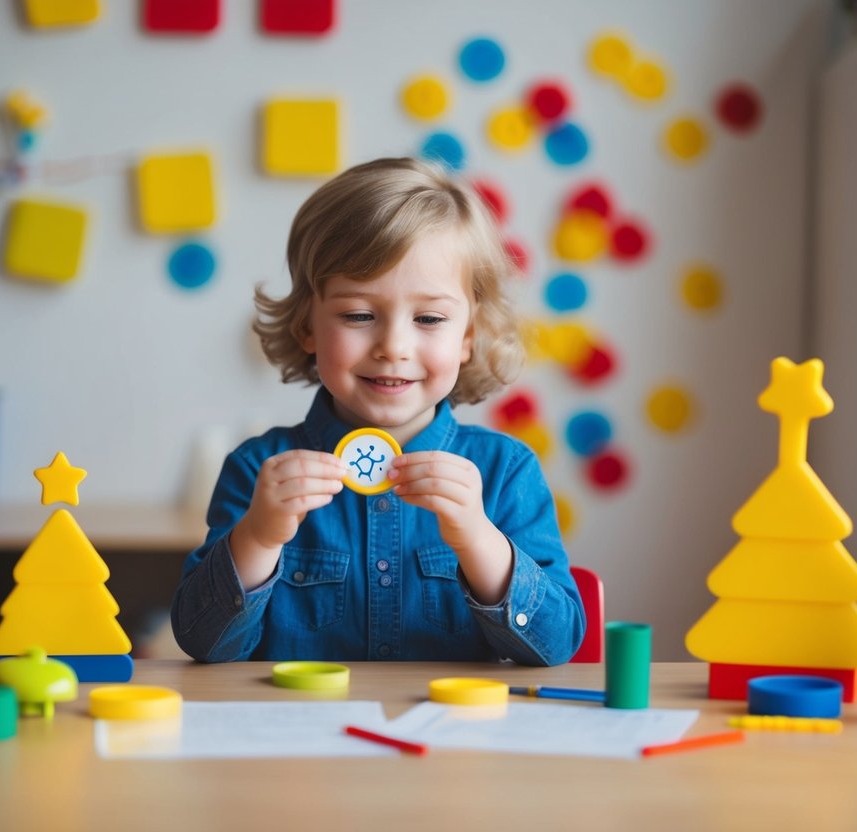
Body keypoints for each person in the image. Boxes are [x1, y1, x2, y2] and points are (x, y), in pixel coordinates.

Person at [171, 157, 584, 665]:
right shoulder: (259, 470)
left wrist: (479, 539)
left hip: (451, 738)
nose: (393, 345)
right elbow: (203, 644)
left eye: (429, 318)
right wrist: (257, 536)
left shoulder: (505, 472)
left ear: (468, 337)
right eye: (359, 315)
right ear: (307, 327)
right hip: (301, 736)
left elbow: (557, 644)